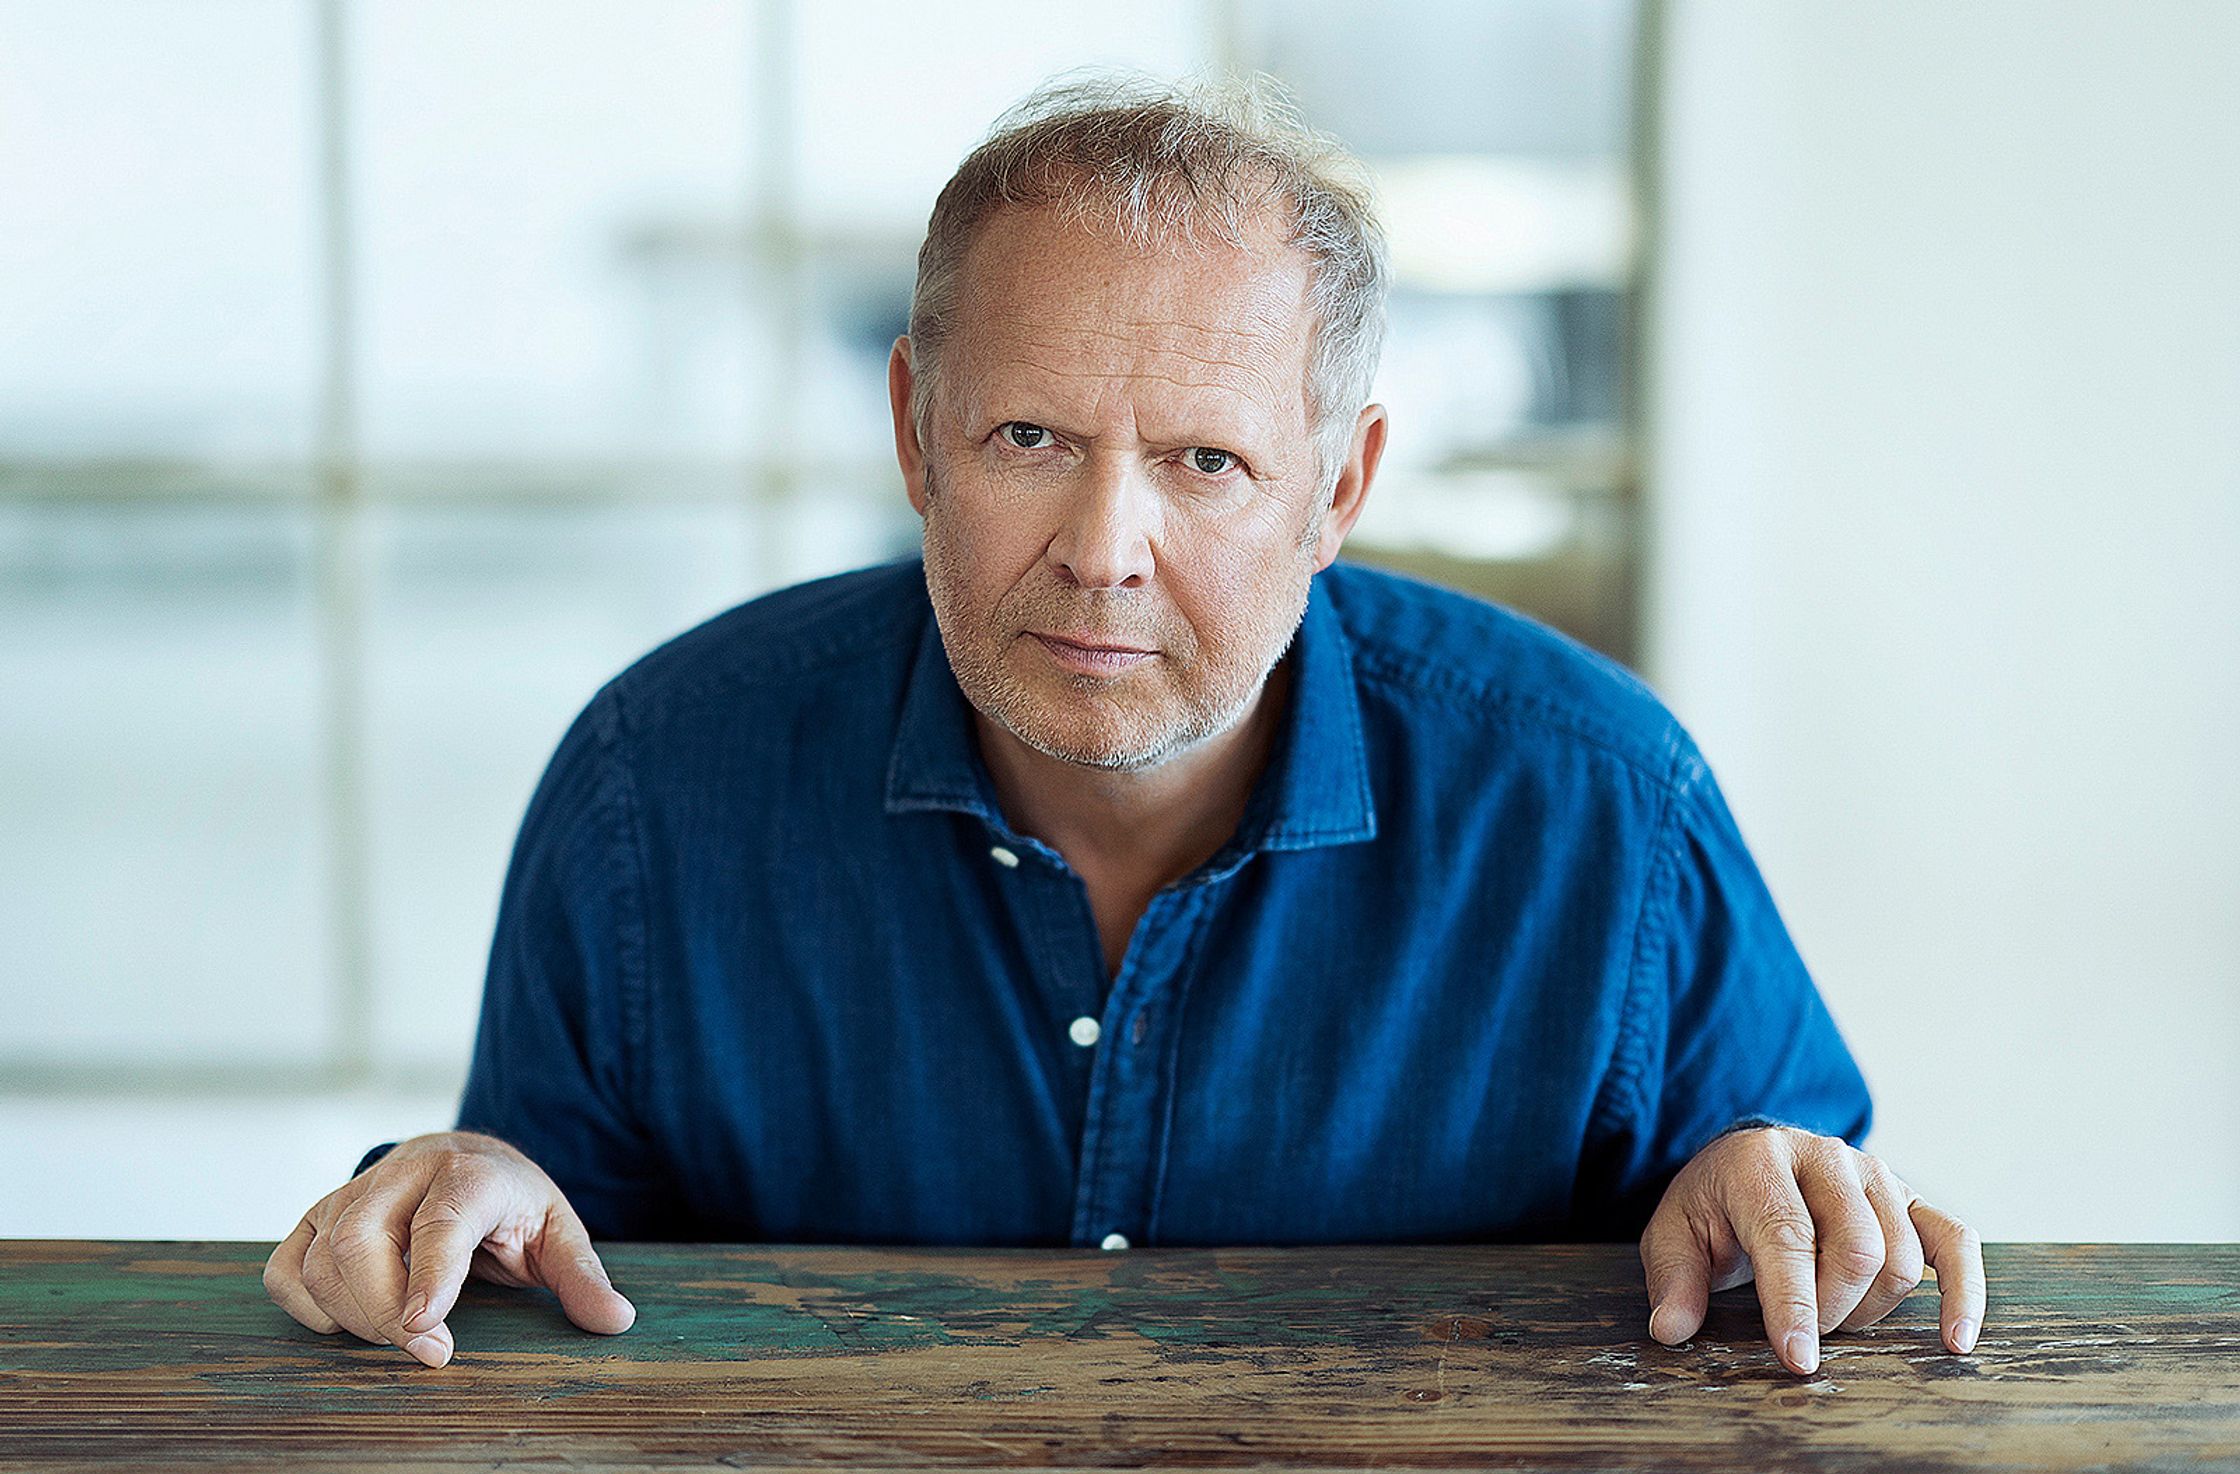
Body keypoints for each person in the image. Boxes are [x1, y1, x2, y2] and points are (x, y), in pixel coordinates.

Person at [264, 70, 1984, 1379]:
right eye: (1028, 438)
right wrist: (459, 1194)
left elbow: (1795, 1217)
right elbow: (525, 1265)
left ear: (1342, 488)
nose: (1103, 550)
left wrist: (1774, 1189)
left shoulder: (1605, 809)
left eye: (1206, 462)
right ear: (915, 433)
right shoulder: (655, 786)